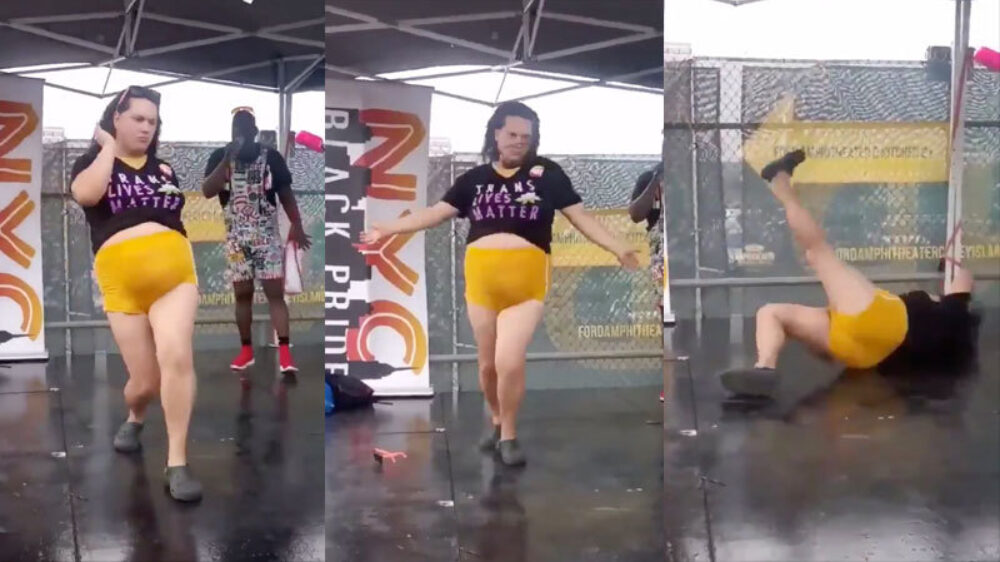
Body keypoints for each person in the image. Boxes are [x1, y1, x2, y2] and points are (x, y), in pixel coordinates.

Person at [361, 101, 640, 466]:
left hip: (526, 286)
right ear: (496, 134)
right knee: (487, 367)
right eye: (512, 134)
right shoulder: (474, 180)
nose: (519, 141)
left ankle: (509, 434)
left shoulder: (548, 174)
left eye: (526, 136)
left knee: (508, 361)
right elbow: (434, 214)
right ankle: (495, 419)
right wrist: (387, 228)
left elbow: (581, 217)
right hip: (482, 286)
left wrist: (618, 246)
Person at [721, 150, 981, 397]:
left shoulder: (954, 309)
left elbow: (963, 280)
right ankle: (763, 371)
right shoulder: (948, 321)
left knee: (817, 250)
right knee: (772, 312)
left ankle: (780, 181)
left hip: (877, 323)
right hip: (861, 352)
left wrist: (953, 268)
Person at [70, 86, 201, 502]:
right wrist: (108, 148)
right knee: (145, 382)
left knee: (176, 354)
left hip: (175, 277)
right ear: (116, 118)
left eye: (153, 121)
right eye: (138, 119)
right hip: (122, 285)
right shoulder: (92, 164)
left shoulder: (164, 169)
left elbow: (173, 220)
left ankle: (177, 462)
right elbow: (87, 195)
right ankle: (136, 414)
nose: (147, 127)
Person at [202, 107, 311, 373]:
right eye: (235, 127)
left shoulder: (270, 157)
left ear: (254, 130)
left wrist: (296, 225)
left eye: (244, 127)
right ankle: (246, 351)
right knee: (242, 294)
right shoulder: (220, 156)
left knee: (275, 294)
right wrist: (227, 159)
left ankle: (285, 353)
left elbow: (285, 193)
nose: (239, 132)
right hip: (236, 238)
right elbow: (207, 191)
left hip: (266, 236)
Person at [628, 162, 666, 402]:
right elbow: (635, 215)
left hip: (692, 250)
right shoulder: (650, 176)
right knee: (667, 315)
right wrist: (655, 179)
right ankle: (671, 381)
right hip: (662, 254)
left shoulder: (693, 175)